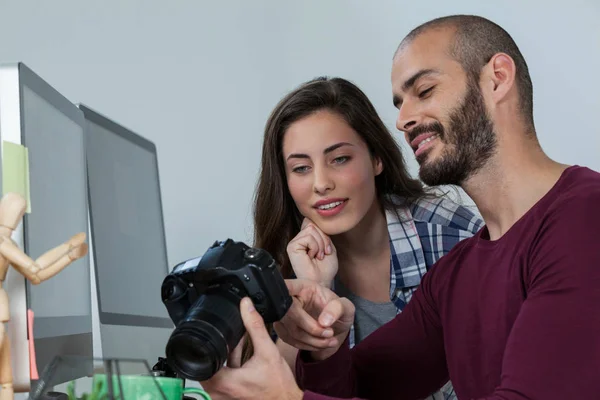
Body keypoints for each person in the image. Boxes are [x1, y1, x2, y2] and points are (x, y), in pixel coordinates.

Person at [200, 14, 600, 400]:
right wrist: (325, 345)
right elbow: (358, 386)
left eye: (424, 91)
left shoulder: (585, 217)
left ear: (497, 79)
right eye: (399, 103)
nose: (402, 120)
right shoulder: (455, 276)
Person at [244, 76, 483, 399]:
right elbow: (276, 390)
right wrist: (315, 290)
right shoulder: (281, 268)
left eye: (339, 159)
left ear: (376, 158)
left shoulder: (452, 234)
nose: (321, 183)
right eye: (301, 168)